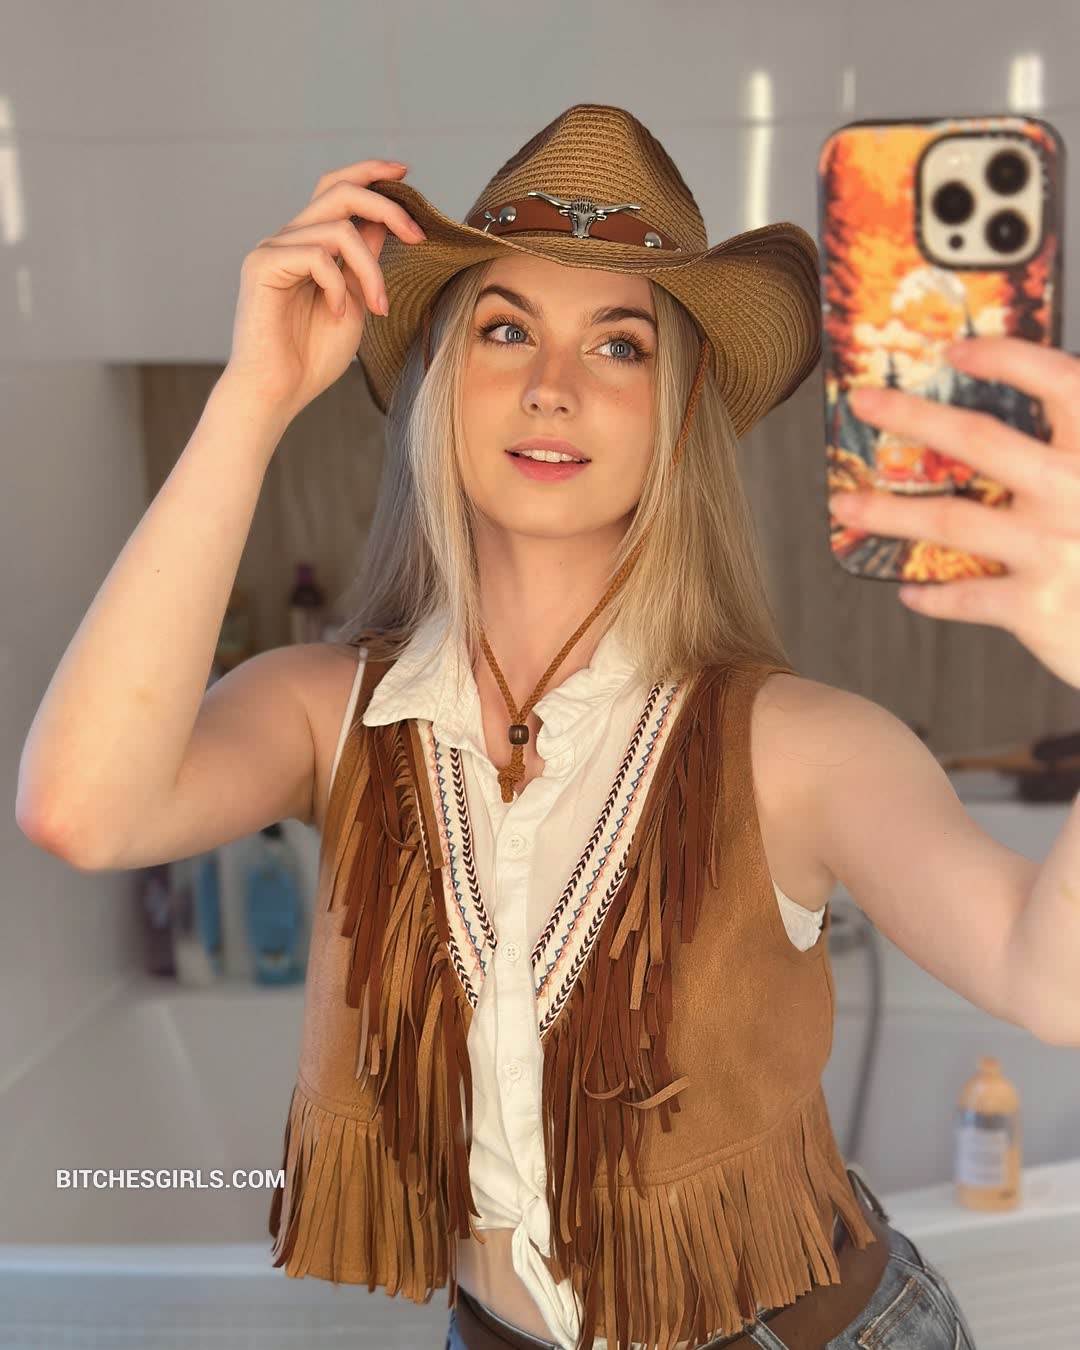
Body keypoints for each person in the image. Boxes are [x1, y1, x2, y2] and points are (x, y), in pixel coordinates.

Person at [21, 102, 1080, 1349]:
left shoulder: (802, 744)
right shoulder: (328, 710)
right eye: (505, 329)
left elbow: (1048, 984)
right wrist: (252, 400)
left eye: (620, 346)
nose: (551, 388)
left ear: (678, 410)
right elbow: (81, 811)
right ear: (439, 382)